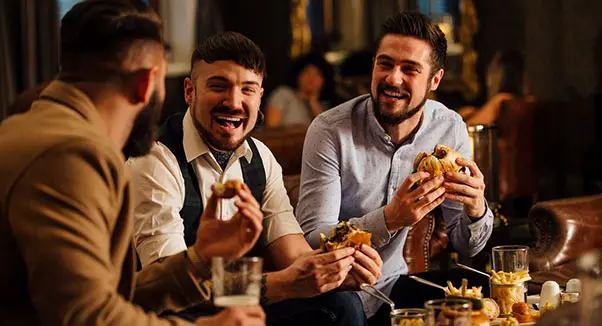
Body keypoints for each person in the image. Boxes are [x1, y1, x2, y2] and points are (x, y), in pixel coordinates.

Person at [0, 1, 265, 325]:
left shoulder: (28, 127)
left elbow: (96, 296)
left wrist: (198, 260)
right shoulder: (70, 155)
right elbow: (87, 317)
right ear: (146, 83)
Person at [126, 31, 380, 326]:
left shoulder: (261, 157)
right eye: (218, 86)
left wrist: (333, 269)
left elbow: (293, 254)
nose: (234, 102)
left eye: (247, 89)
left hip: (242, 307)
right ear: (189, 91)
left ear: (260, 96)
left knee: (341, 303)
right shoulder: (155, 161)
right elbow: (170, 289)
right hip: (176, 316)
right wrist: (283, 283)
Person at [296, 12, 494, 325]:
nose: (393, 78)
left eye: (410, 69)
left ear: (435, 80)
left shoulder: (449, 129)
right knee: (345, 309)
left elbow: (466, 243)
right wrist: (390, 219)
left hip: (393, 286)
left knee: (486, 290)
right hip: (338, 289)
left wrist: (477, 209)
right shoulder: (330, 130)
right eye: (385, 64)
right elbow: (313, 238)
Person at [264, 52, 337, 128]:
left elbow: (327, 130)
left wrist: (313, 102)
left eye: (317, 74)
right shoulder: (283, 94)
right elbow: (271, 129)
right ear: (298, 75)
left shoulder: (326, 106)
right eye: (307, 73)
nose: (311, 79)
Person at [458, 50, 531, 123]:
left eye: (492, 70)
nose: (488, 80)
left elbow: (467, 127)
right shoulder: (519, 100)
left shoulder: (501, 100)